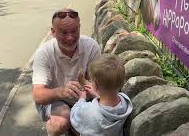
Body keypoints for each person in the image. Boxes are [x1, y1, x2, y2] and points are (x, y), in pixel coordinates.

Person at [32, 8, 101, 136]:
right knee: (61, 121)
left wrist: (87, 87)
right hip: (54, 100)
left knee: (88, 128)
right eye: (63, 33)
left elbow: (98, 85)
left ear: (79, 28)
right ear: (53, 32)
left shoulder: (92, 47)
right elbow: (38, 95)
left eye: (74, 31)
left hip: (83, 99)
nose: (70, 38)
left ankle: (73, 127)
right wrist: (61, 91)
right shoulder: (44, 53)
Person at [70, 54, 133, 136]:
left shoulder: (89, 111)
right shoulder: (125, 102)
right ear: (122, 83)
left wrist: (81, 99)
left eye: (91, 81)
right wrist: (97, 95)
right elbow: (109, 107)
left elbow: (74, 116)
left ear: (95, 86)